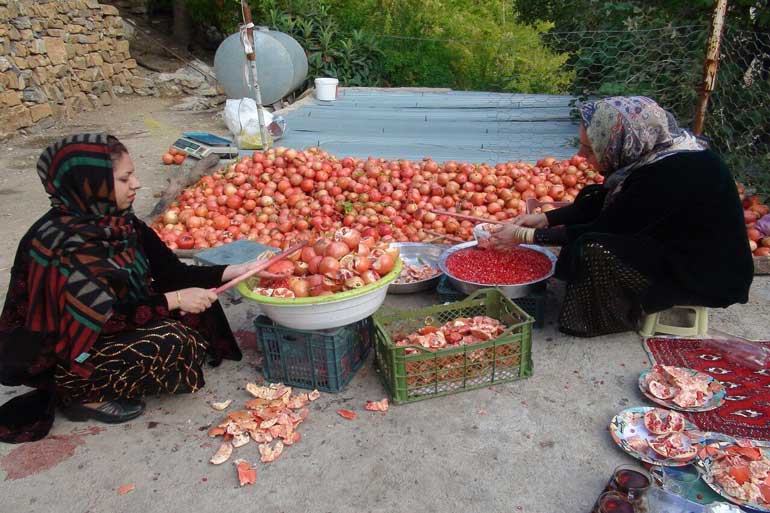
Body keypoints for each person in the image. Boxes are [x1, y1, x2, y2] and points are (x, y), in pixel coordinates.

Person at [0, 134, 273, 443]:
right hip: (62, 354)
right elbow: (98, 320)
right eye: (124, 178)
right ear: (90, 183)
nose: (137, 184)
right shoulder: (61, 245)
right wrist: (173, 300)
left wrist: (234, 271)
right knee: (173, 340)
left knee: (196, 312)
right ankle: (80, 394)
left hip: (103, 328)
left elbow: (174, 273)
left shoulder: (119, 224)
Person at [490, 96, 753, 338]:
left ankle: (606, 319)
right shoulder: (662, 152)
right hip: (676, 242)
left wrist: (525, 236)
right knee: (594, 195)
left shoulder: (671, 174)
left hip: (704, 272)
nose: (581, 157)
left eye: (589, 149)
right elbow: (610, 203)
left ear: (620, 140)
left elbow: (609, 226)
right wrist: (546, 219)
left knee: (593, 247)